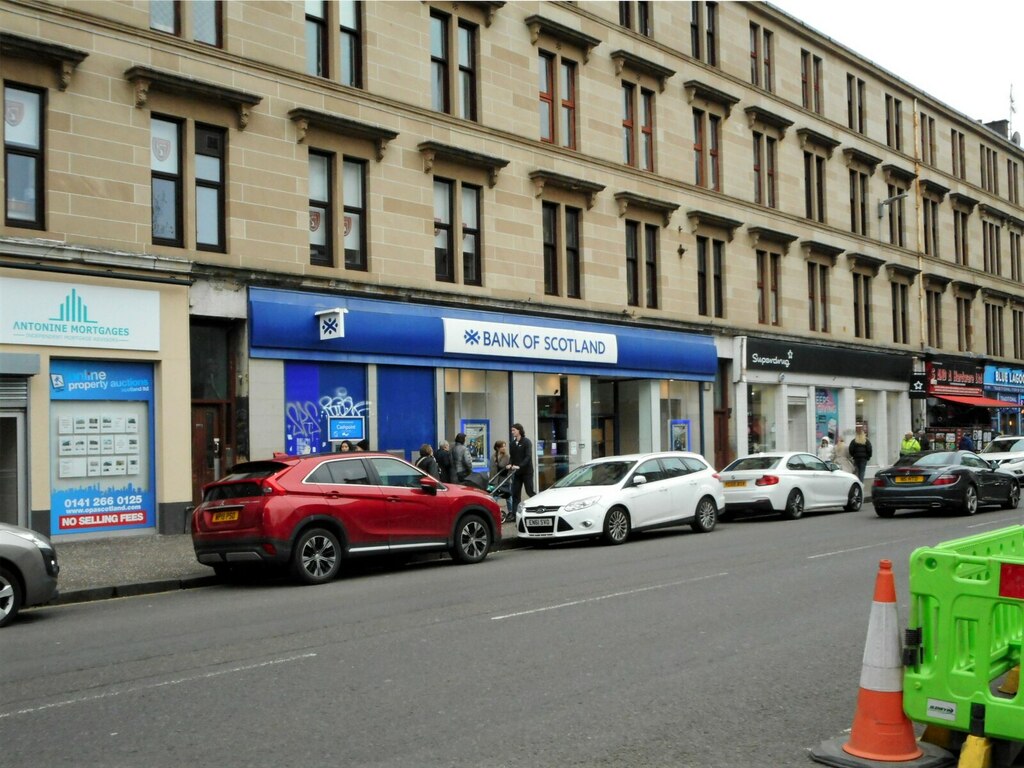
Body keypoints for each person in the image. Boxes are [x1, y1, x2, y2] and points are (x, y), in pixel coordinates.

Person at [509, 422, 535, 513]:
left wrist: (520, 466)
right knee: (515, 494)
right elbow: (512, 457)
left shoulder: (526, 442)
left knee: (529, 492)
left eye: (513, 430)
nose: (512, 432)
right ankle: (514, 513)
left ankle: (537, 508)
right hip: (517, 473)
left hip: (527, 472)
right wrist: (510, 464)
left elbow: (528, 457)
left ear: (519, 430)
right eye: (511, 430)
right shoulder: (512, 444)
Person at [491, 440, 513, 521]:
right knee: (495, 495)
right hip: (495, 479)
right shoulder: (494, 455)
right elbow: (492, 468)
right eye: (502, 446)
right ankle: (494, 510)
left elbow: (501, 465)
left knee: (507, 496)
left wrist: (496, 461)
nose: (504, 448)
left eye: (505, 446)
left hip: (505, 479)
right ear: (498, 448)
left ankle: (511, 512)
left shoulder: (506, 456)